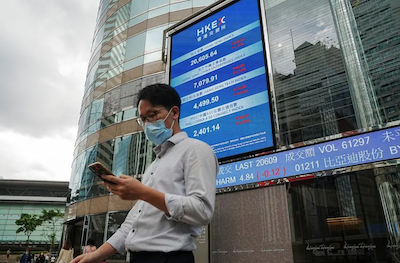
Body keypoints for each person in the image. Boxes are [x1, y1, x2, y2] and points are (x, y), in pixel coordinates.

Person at [71, 84, 218, 263]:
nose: (148, 124)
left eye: (153, 115)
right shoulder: (155, 165)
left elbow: (202, 210)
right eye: (143, 119)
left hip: (169, 258)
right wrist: (96, 255)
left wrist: (143, 192)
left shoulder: (196, 150)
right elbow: (132, 224)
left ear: (175, 113)